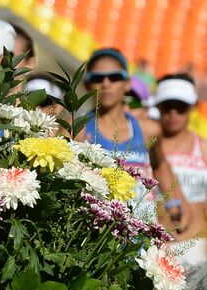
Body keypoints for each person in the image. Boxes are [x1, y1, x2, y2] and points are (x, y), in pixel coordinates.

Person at [79, 48, 192, 233]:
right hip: (93, 236)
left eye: (115, 77)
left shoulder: (148, 129)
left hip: (139, 232)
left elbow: (160, 165)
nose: (106, 83)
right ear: (87, 84)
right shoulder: (78, 129)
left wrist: (176, 202)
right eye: (97, 78)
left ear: (127, 83)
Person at [154, 75, 206, 239]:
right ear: (158, 106)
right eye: (167, 105)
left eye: (180, 106)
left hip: (197, 240)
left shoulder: (203, 147)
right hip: (154, 237)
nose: (173, 112)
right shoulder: (146, 145)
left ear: (192, 107)